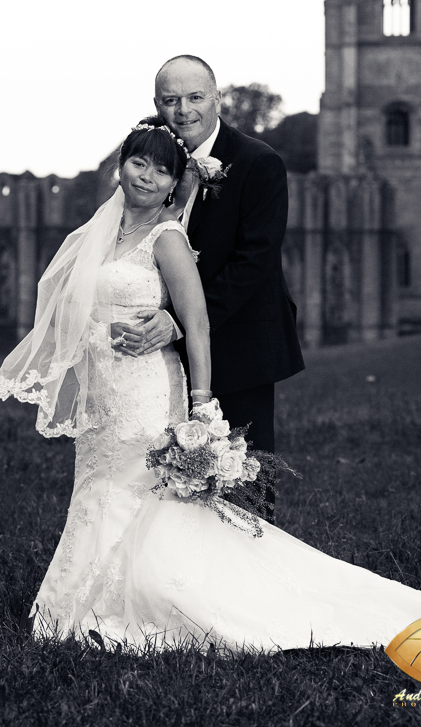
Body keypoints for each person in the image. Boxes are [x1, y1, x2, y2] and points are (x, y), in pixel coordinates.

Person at [0, 120, 421, 653]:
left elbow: (199, 320)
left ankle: (161, 600)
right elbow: (75, 307)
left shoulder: (167, 236)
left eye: (160, 171)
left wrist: (201, 407)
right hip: (106, 394)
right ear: (120, 165)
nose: (145, 176)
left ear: (172, 182)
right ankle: (78, 601)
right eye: (137, 162)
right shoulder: (99, 233)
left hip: (146, 389)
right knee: (99, 490)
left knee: (151, 498)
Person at [111, 56, 304, 479]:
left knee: (240, 482)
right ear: (157, 104)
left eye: (196, 97)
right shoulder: (151, 165)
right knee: (173, 486)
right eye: (171, 100)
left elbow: (254, 262)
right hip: (159, 361)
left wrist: (178, 321)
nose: (184, 111)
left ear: (217, 98)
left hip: (240, 342)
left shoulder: (258, 162)